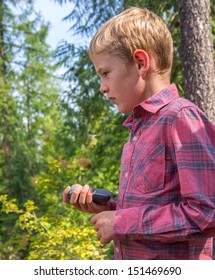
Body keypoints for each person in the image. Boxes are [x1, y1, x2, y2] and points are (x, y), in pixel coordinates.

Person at [63, 7, 215, 260]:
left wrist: (121, 221)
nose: (102, 87)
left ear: (141, 63)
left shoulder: (181, 118)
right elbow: (152, 210)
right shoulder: (138, 130)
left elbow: (206, 212)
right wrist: (109, 208)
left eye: (105, 73)